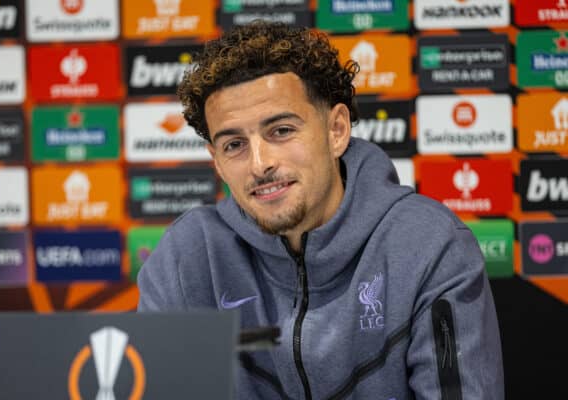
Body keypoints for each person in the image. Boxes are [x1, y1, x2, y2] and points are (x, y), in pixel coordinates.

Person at [137, 21, 504, 400]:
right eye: (234, 145)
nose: (260, 164)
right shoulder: (186, 258)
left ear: (337, 130)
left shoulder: (429, 245)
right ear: (215, 161)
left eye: (281, 131)